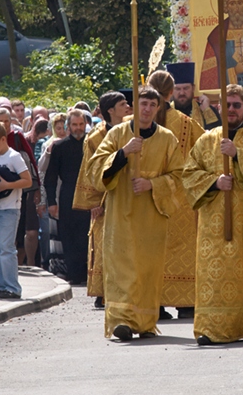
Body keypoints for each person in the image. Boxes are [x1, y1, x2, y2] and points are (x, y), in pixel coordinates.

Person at [86, 86, 184, 341]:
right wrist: (123, 153)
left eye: (152, 105)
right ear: (135, 106)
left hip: (151, 217)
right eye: (143, 104)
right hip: (120, 214)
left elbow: (179, 176)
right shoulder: (117, 134)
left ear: (158, 108)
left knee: (147, 270)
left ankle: (145, 322)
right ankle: (122, 321)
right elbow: (95, 168)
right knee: (122, 268)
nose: (147, 109)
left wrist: (152, 184)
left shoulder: (167, 138)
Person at [184, 84, 243, 345]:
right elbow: (188, 174)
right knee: (216, 274)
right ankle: (210, 328)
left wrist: (237, 154)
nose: (231, 109)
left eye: (237, 105)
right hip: (214, 225)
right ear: (219, 108)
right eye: (227, 105)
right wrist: (214, 182)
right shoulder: (206, 140)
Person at [148, 70, 204, 318]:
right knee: (183, 249)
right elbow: (205, 150)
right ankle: (186, 304)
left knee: (152, 249)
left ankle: (154, 304)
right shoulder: (185, 123)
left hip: (148, 195)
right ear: (171, 92)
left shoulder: (139, 121)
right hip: (180, 197)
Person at [73, 91, 131, 307]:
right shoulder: (95, 137)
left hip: (128, 195)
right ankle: (102, 292)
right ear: (111, 110)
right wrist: (94, 202)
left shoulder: (131, 129)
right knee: (103, 244)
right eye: (123, 104)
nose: (128, 106)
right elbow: (89, 170)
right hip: (104, 199)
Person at [0, 122, 32, 299]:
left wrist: (7, 185)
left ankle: (13, 287)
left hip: (10, 208)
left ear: (3, 139)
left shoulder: (14, 156)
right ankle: (1, 286)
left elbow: (27, 181)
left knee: (6, 248)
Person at [45, 110, 91, 286]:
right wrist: (51, 202)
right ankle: (74, 273)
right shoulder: (59, 147)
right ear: (68, 126)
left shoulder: (93, 145)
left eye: (81, 124)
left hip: (89, 195)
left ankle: (87, 273)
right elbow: (50, 178)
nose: (78, 128)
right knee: (69, 235)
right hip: (68, 195)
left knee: (86, 235)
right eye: (74, 125)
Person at [167, 62, 220, 130]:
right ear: (171, 90)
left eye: (186, 88)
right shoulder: (165, 112)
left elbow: (217, 133)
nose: (182, 93)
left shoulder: (204, 109)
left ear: (193, 88)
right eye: (177, 89)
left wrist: (206, 111)